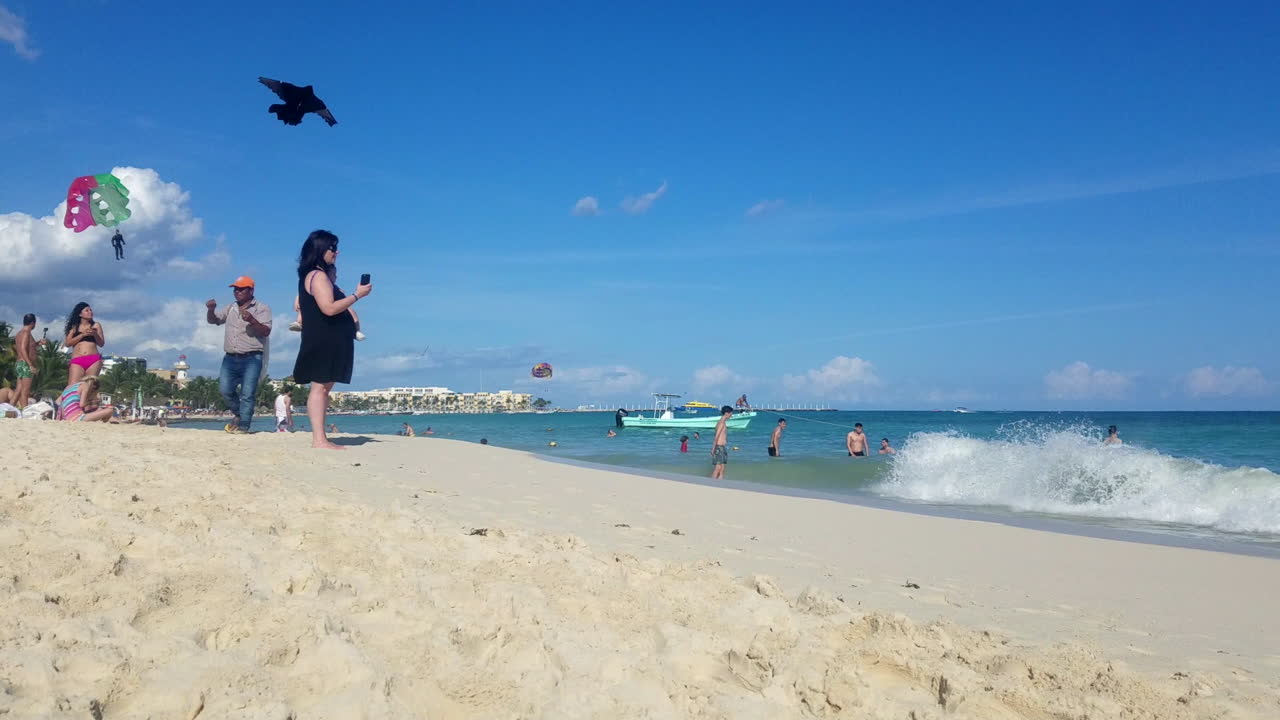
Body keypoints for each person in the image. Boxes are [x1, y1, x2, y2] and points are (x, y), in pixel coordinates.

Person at [293, 231, 372, 450]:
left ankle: (321, 438)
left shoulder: (317, 275)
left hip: (329, 338)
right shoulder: (317, 276)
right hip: (324, 338)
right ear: (321, 250)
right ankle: (319, 440)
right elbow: (328, 308)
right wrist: (357, 295)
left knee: (323, 388)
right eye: (333, 248)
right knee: (319, 388)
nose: (336, 252)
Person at [205, 276, 272, 433]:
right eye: (235, 289)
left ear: (251, 290)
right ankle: (239, 414)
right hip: (230, 357)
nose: (237, 292)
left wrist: (252, 320)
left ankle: (244, 426)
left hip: (252, 357)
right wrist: (210, 309)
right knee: (225, 390)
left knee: (247, 393)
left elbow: (266, 331)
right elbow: (213, 320)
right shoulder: (230, 308)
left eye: (241, 289)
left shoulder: (262, 308)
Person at [290, 294, 366, 341]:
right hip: (318, 306)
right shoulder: (312, 282)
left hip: (333, 307)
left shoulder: (332, 287)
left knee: (350, 310)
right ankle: (298, 323)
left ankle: (356, 331)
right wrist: (298, 300)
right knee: (304, 307)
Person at [64, 302, 105, 386]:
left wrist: (95, 334)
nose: (90, 312)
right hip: (77, 359)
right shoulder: (74, 327)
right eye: (87, 310)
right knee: (72, 386)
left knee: (89, 387)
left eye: (90, 310)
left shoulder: (96, 325)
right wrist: (82, 335)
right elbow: (68, 343)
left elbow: (101, 343)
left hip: (93, 359)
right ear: (80, 314)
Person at [13, 314, 40, 408]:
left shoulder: (19, 333)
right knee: (25, 391)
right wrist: (30, 365)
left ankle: (8, 408)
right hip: (25, 364)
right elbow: (23, 348)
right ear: (33, 323)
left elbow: (26, 347)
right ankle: (25, 412)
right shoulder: (26, 332)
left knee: (18, 390)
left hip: (20, 363)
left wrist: (37, 344)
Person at [711, 405, 732, 479]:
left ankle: (720, 484)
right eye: (730, 414)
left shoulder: (722, 422)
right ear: (726, 413)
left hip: (722, 447)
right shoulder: (721, 423)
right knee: (718, 468)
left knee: (722, 468)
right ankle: (711, 483)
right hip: (719, 447)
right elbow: (716, 436)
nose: (731, 416)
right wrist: (713, 448)